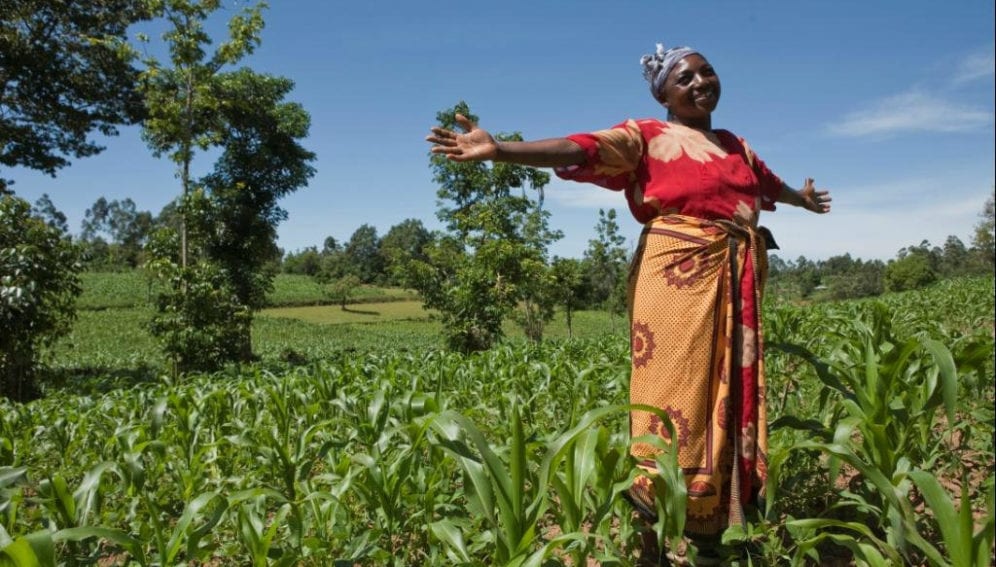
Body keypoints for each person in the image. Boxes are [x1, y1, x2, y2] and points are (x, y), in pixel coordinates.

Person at [426, 43, 831, 565]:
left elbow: (769, 186)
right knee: (672, 403)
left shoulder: (737, 146)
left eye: (707, 72)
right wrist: (502, 149)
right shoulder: (646, 136)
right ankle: (650, 538)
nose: (701, 82)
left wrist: (803, 199)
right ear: (662, 93)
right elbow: (579, 148)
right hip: (677, 277)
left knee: (723, 401)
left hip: (735, 276)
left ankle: (710, 537)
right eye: (685, 78)